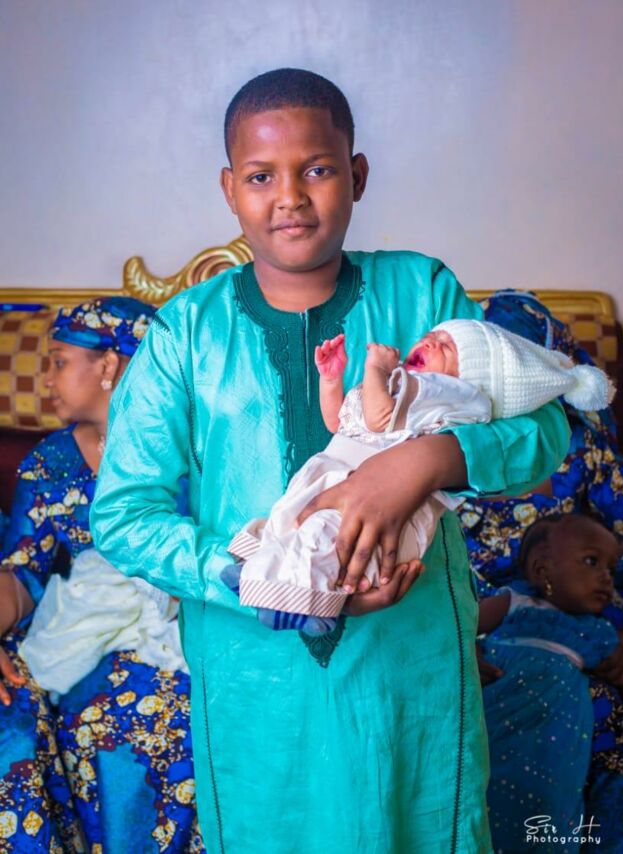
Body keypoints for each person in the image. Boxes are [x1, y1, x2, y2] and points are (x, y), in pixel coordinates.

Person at [91, 68, 570, 853]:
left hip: (408, 655)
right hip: (254, 667)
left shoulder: (421, 289)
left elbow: (544, 433)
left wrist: (423, 462)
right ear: (229, 189)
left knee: (422, 826)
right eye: (260, 177)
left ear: (357, 175)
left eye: (316, 169)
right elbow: (122, 515)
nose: (290, 197)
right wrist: (255, 578)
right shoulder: (186, 332)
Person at [232, 320, 610, 621]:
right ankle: (266, 569)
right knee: (291, 521)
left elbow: (379, 420)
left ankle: (300, 601)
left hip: (371, 499)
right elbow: (341, 424)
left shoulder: (445, 397)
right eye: (431, 336)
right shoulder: (404, 389)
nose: (429, 342)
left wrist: (375, 368)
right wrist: (331, 381)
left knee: (324, 537)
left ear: (472, 379)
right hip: (336, 476)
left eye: (446, 346)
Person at [0, 297, 204, 853]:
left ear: (109, 365)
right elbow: (21, 572)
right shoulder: (50, 462)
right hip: (75, 629)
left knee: (149, 717)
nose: (47, 379)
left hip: (179, 626)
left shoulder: (194, 448)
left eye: (59, 361)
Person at [459, 289, 623, 853]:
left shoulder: (582, 451)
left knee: (607, 717)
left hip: (579, 629)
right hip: (472, 632)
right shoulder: (448, 445)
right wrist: (456, 647)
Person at [479, 514, 623, 853]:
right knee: (485, 791)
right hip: (494, 718)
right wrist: (468, 654)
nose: (606, 578)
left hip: (556, 742)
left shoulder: (596, 634)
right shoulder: (514, 603)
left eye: (611, 569)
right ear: (542, 570)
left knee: (546, 804)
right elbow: (459, 627)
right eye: (591, 561)